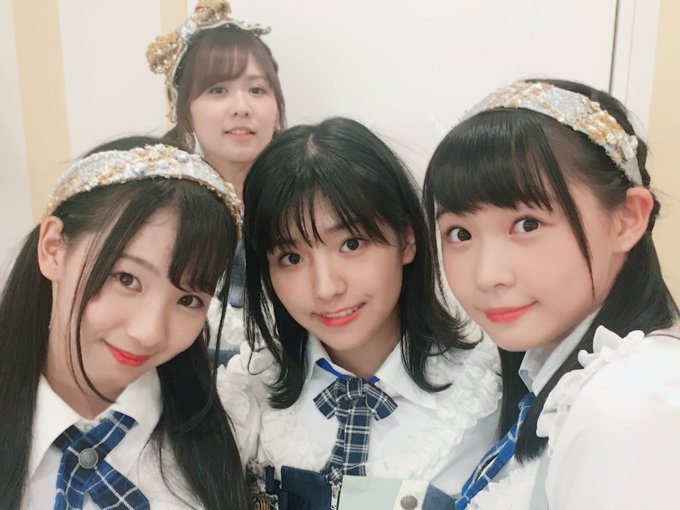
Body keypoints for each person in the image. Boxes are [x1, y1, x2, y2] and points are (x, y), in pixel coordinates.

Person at [219, 117, 502, 509]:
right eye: (291, 257)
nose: (326, 288)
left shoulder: (488, 394)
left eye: (351, 244)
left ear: (407, 239)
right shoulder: (249, 391)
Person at [423, 79, 680, 509]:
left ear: (627, 219)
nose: (487, 275)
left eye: (527, 224)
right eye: (460, 233)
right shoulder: (553, 375)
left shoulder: (632, 403)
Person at [0, 138, 251, 509]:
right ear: (53, 249)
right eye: (126, 278)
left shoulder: (230, 435)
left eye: (188, 300)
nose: (148, 333)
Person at [147, 0, 287, 348]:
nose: (242, 107)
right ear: (185, 112)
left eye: (257, 90)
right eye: (218, 90)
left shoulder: (300, 200)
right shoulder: (162, 210)